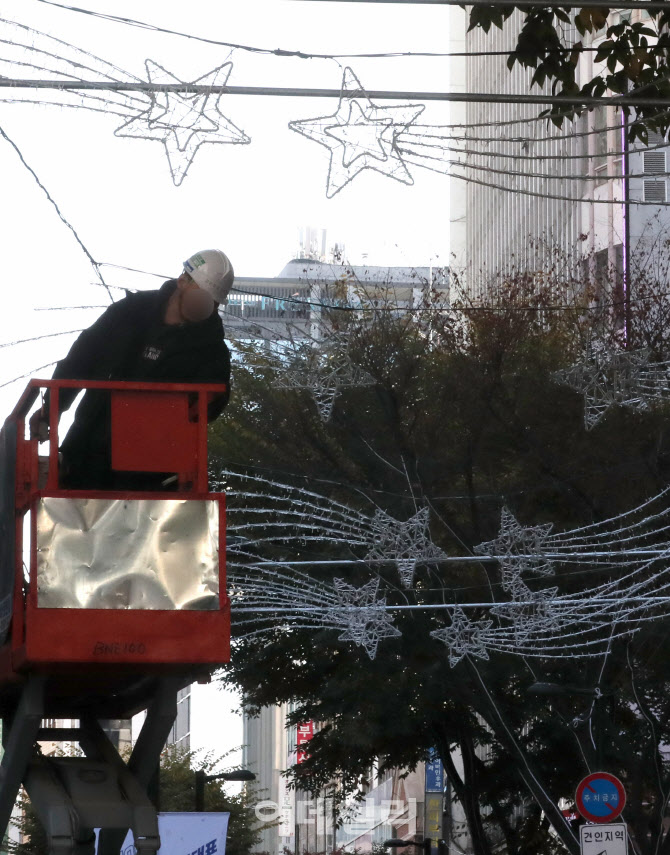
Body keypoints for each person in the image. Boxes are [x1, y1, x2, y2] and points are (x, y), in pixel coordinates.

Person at [30, 249, 233, 489]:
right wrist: (51, 408)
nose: (203, 306)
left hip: (151, 474)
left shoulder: (210, 349)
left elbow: (210, 405)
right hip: (87, 450)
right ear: (183, 281)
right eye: (200, 295)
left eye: (212, 302)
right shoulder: (129, 313)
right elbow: (81, 359)